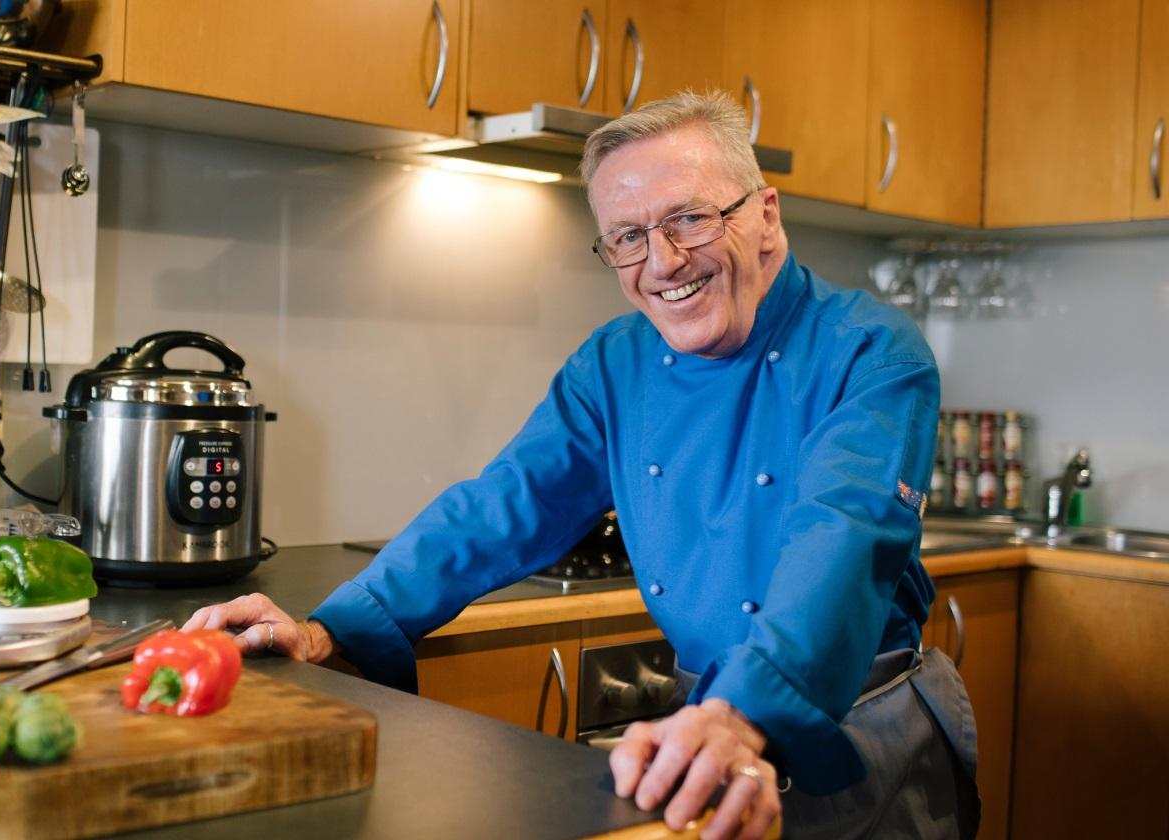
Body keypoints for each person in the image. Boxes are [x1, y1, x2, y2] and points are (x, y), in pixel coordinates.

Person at [184, 91, 979, 840]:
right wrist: (332, 626)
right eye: (627, 237)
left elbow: (841, 541)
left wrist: (746, 712)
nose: (662, 261)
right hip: (707, 726)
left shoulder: (870, 349)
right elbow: (503, 507)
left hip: (858, 725)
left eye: (690, 220)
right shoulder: (617, 362)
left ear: (765, 215)